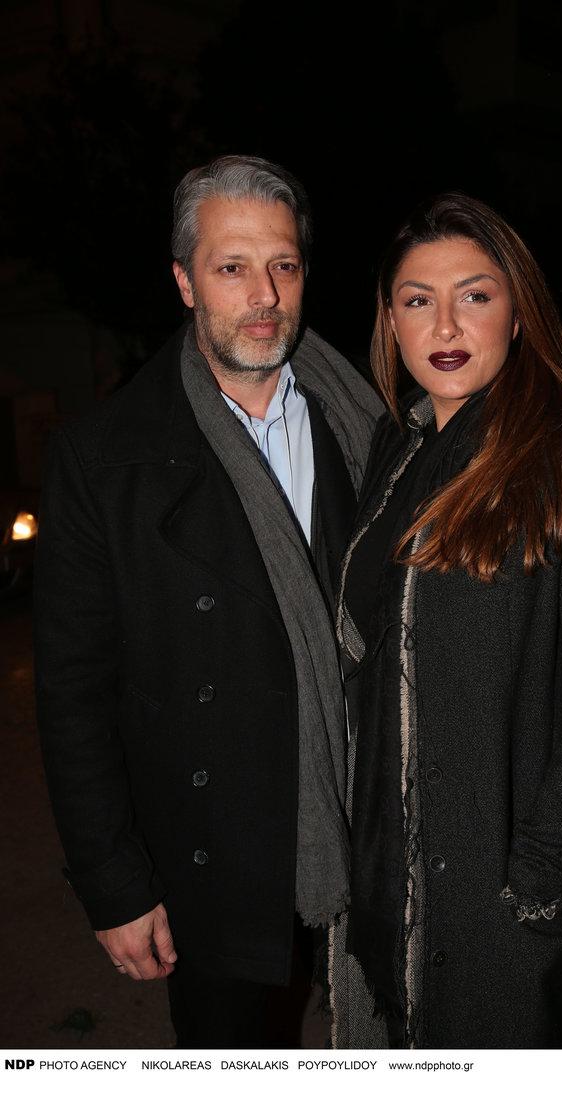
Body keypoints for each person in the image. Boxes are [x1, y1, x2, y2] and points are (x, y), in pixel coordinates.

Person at [34, 154, 382, 1048]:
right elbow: (73, 694)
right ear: (185, 282)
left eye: (284, 264)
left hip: (375, 823)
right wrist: (114, 883)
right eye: (232, 267)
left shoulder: (369, 422)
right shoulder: (103, 459)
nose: (264, 295)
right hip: (215, 851)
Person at [330, 192, 562, 1049]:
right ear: (390, 322)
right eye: (418, 299)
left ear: (518, 314)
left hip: (504, 884)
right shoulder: (395, 451)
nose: (445, 323)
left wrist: (543, 874)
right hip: (393, 867)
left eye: (474, 295)